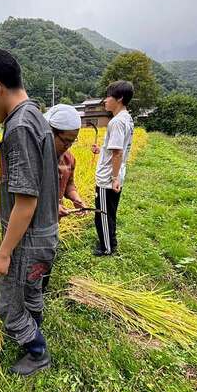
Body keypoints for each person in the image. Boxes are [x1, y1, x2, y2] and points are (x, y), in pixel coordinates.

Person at [0, 45, 59, 376]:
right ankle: (34, 325)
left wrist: (4, 253)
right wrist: (2, 208)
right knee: (32, 288)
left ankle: (37, 353)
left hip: (28, 241)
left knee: (8, 303)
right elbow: (32, 187)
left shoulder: (18, 126)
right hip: (43, 235)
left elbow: (27, 201)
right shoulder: (36, 115)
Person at [42, 103, 85, 292]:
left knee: (48, 255)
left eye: (72, 141)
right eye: (65, 140)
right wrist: (50, 207)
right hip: (32, 222)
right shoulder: (36, 157)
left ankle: (41, 289)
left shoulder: (69, 159)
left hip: (53, 221)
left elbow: (68, 185)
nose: (67, 146)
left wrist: (76, 197)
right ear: (51, 132)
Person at [91, 80, 134, 256]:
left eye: (108, 97)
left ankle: (106, 247)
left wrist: (113, 178)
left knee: (102, 214)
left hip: (108, 178)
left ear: (120, 98)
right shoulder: (127, 119)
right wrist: (100, 150)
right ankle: (111, 241)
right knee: (110, 212)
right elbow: (115, 149)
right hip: (116, 174)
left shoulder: (116, 122)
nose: (105, 101)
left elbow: (117, 152)